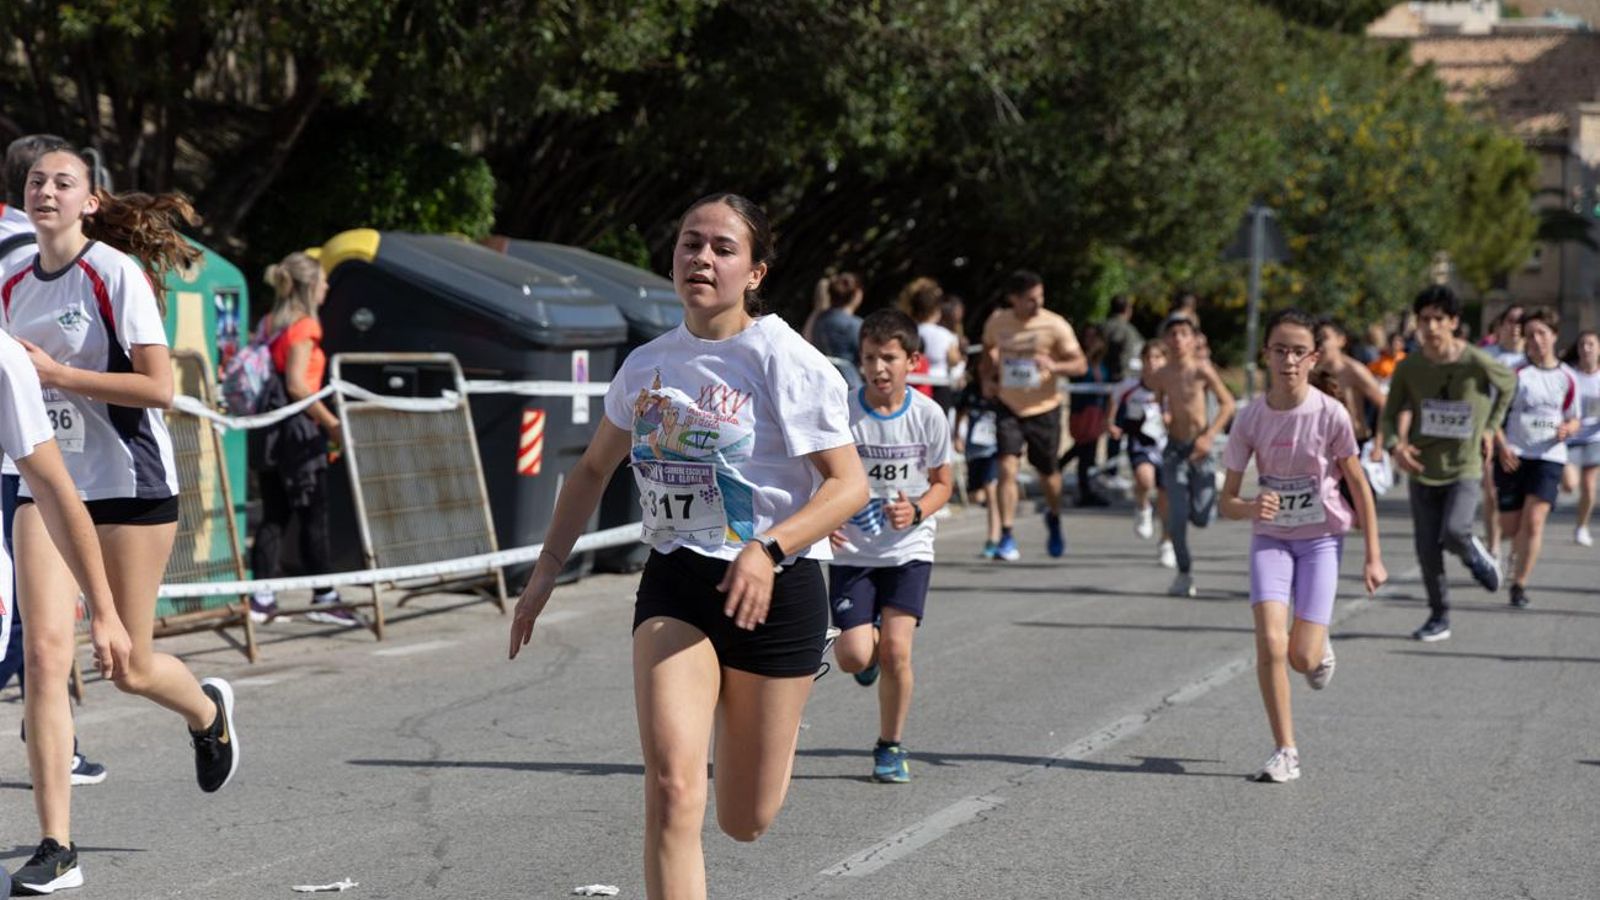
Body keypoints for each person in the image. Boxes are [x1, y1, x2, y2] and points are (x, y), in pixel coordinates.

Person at [507, 193, 867, 900]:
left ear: (756, 271)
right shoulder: (647, 365)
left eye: (722, 248)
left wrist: (769, 548)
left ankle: (793, 687)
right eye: (689, 243)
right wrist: (546, 569)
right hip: (678, 581)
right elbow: (590, 469)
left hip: (777, 587)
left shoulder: (785, 360)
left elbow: (847, 486)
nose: (701, 257)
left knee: (745, 820)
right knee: (673, 790)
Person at [2, 144, 239, 892]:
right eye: (37, 181)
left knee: (127, 664)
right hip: (47, 482)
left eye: (62, 182)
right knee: (45, 657)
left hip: (130, 486)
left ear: (90, 201)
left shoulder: (113, 275)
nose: (46, 191)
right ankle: (57, 847)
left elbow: (161, 389)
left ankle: (207, 713)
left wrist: (60, 375)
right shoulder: (8, 281)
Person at [1221, 308, 1386, 783]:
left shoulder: (1330, 414)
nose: (1288, 360)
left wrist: (1373, 556)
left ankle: (1319, 648)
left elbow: (1359, 487)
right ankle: (1285, 750)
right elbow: (1227, 500)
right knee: (1272, 645)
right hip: (1269, 540)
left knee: (1302, 658)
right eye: (1280, 350)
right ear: (1265, 355)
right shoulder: (1250, 417)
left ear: (1313, 358)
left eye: (1298, 351)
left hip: (1319, 542)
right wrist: (1252, 507)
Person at [0, 133, 110, 787]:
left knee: (32, 622)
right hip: (32, 451)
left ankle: (50, 730)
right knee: (30, 623)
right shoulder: (34, 255)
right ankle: (49, 729)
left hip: (30, 448)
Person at [0, 326, 126, 894]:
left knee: (125, 665)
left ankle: (57, 846)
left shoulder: (5, 360)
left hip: (120, 490)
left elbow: (54, 489)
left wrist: (104, 609)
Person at [827, 308, 953, 783]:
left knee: (898, 652)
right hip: (853, 551)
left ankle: (889, 745)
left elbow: (943, 482)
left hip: (908, 549)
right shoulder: (844, 412)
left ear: (912, 361)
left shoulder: (928, 415)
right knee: (854, 656)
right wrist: (823, 524)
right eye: (869, 358)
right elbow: (818, 475)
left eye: (889, 358)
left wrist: (918, 510)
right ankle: (869, 648)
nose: (878, 368)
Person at [1381, 285, 1516, 641]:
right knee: (1427, 548)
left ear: (1454, 322)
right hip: (1423, 467)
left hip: (1464, 465)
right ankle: (1439, 617)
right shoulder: (1409, 367)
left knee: (1455, 531)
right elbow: (1390, 415)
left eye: (1438, 319)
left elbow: (1509, 384)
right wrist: (1396, 446)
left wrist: (1490, 427)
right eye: (1424, 319)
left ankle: (1476, 556)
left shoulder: (1475, 360)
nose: (1430, 327)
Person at [247, 252, 353, 626]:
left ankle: (262, 596)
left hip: (271, 432)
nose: (326, 288)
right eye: (323, 282)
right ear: (310, 287)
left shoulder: (269, 323)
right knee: (313, 513)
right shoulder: (305, 327)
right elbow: (297, 384)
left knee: (274, 513)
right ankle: (325, 596)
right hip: (298, 432)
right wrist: (331, 425)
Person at [980, 270, 1086, 561]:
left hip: (1044, 408)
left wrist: (1054, 365)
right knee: (1006, 468)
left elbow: (1080, 364)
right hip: (1008, 404)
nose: (1037, 304)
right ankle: (1006, 533)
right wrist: (987, 379)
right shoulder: (998, 321)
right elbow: (988, 351)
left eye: (1040, 297)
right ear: (1013, 299)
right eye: (1030, 299)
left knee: (1048, 475)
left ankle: (1053, 515)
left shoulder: (1054, 325)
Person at [1491, 309, 1580, 609]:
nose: (1536, 340)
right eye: (1530, 335)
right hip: (1514, 456)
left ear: (1554, 336)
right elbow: (1494, 418)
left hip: (1549, 457)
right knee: (1512, 525)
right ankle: (1507, 552)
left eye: (1542, 333)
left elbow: (1574, 417)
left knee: (1535, 521)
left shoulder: (1567, 377)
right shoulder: (1515, 373)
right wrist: (1502, 447)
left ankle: (1519, 584)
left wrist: (1570, 428)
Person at [1149, 315, 1236, 597]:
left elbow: (1228, 404)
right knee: (1176, 515)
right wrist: (1161, 414)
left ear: (1193, 339)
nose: (1177, 340)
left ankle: (1207, 499)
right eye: (1172, 334)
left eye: (1183, 334)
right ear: (1165, 341)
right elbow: (1158, 401)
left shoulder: (1202, 371)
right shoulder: (1161, 374)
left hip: (1201, 449)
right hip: (1174, 449)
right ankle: (1184, 572)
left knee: (1201, 516)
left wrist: (1209, 436)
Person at [1108, 342, 1170, 551]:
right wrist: (1112, 424)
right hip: (1140, 443)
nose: (1152, 363)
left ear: (1165, 360)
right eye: (1148, 358)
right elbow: (1114, 401)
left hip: (1167, 446)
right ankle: (1143, 507)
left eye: (1157, 358)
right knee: (1145, 480)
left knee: (1166, 495)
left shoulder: (1172, 386)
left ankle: (1166, 542)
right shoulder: (1130, 387)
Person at [1481, 304, 1527, 560]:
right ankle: (1494, 545)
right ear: (1500, 326)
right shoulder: (1487, 356)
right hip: (1489, 428)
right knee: (1492, 490)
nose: (1515, 327)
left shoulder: (1531, 358)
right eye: (1510, 321)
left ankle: (1516, 548)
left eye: (1521, 323)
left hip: (1522, 434)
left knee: (1518, 498)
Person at [952, 354, 1002, 556]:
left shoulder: (1002, 388)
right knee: (976, 495)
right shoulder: (970, 390)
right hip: (974, 449)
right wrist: (957, 435)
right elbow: (960, 412)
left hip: (996, 447)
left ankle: (994, 538)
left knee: (991, 493)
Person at [1060, 324, 1112, 506]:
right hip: (1082, 411)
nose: (1091, 341)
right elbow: (1078, 375)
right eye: (1088, 337)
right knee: (1083, 450)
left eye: (1094, 337)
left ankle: (1084, 488)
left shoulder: (1102, 363)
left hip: (1097, 411)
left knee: (1086, 452)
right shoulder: (1079, 359)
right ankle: (1082, 489)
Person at [1562, 330, 1600, 546]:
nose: (1586, 349)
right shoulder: (1570, 375)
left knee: (1588, 485)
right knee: (1569, 485)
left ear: (1598, 349)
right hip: (1571, 437)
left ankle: (1582, 527)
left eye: (1591, 344)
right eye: (1582, 345)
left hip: (1595, 438)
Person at [909, 281, 960, 411]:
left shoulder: (910, 332)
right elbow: (953, 360)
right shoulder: (947, 335)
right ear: (936, 311)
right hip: (940, 384)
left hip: (913, 382)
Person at [810, 272, 865, 378]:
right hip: (848, 381)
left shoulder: (818, 319)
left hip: (818, 377)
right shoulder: (855, 325)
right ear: (857, 294)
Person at [1100, 294, 1143, 385]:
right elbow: (1130, 355)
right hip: (1121, 379)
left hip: (1098, 378)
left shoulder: (1101, 327)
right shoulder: (1128, 330)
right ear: (1127, 310)